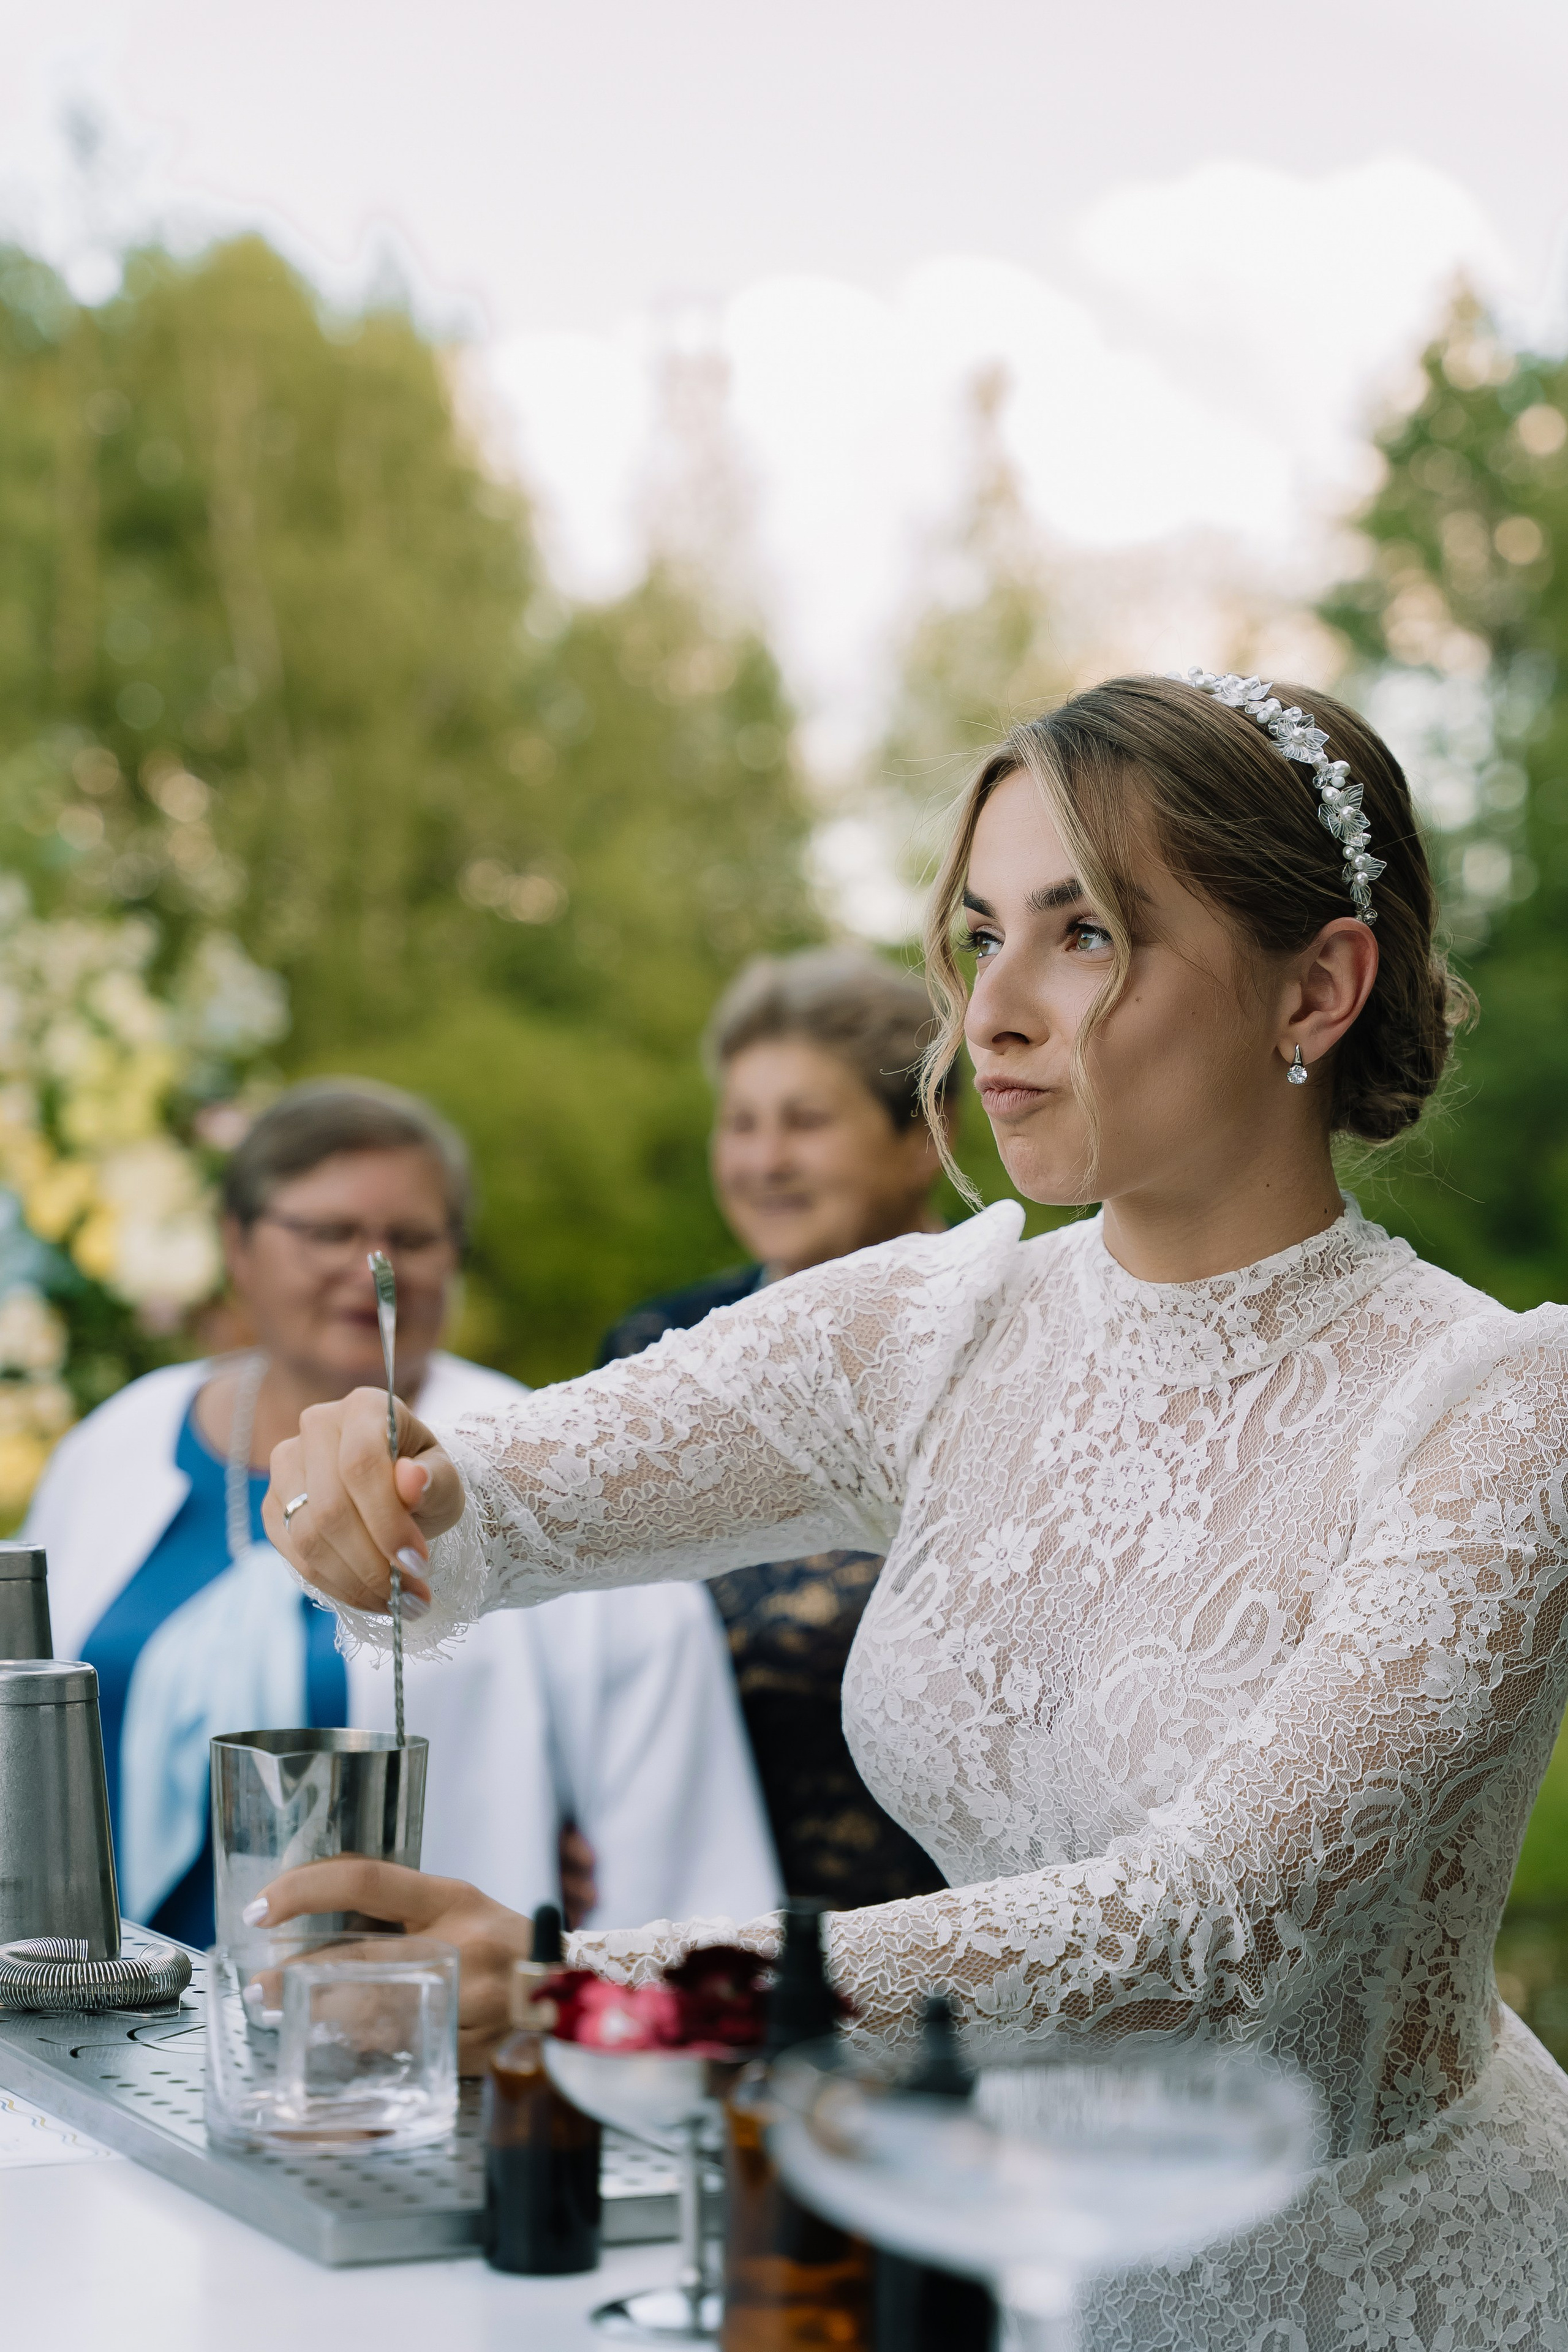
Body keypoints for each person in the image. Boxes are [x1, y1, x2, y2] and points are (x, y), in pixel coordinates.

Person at [261, 674, 1568, 2350]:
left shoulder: (1489, 1411)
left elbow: (1204, 1939)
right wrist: (364, 1473)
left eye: (1085, 935)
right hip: (988, 2262)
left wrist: (600, 1986)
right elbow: (490, 1495)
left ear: (1316, 984)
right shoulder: (932, 1331)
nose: (991, 1012)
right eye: (978, 934)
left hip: (1398, 2295)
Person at [29, 1079, 777, 1947]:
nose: (372, 1266)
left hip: (418, 2036)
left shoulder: (543, 1463)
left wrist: (596, 1991)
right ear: (238, 1245)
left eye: (415, 1238)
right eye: (329, 1232)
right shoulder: (117, 1445)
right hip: (101, 2020)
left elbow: (673, 1827)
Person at [597, 947, 951, 1908]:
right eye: (742, 1123)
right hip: (664, 1936)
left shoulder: (1006, 1347)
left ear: (923, 1136)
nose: (764, 1160)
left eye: (806, 1122)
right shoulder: (650, 1347)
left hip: (924, 1946)